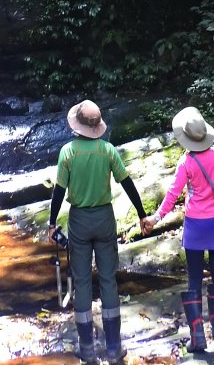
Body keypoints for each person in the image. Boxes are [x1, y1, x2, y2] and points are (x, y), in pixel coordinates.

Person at [48, 99, 147, 365]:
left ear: (77, 125)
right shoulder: (108, 151)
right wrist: (142, 214)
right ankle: (114, 349)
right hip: (104, 219)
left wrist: (51, 222)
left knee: (81, 282)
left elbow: (58, 191)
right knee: (108, 280)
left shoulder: (67, 152)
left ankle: (87, 349)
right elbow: (127, 183)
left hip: (79, 221)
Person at [141, 106, 214, 352]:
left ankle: (197, 338)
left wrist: (156, 217)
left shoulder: (186, 162)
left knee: (194, 279)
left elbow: (173, 194)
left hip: (194, 227)